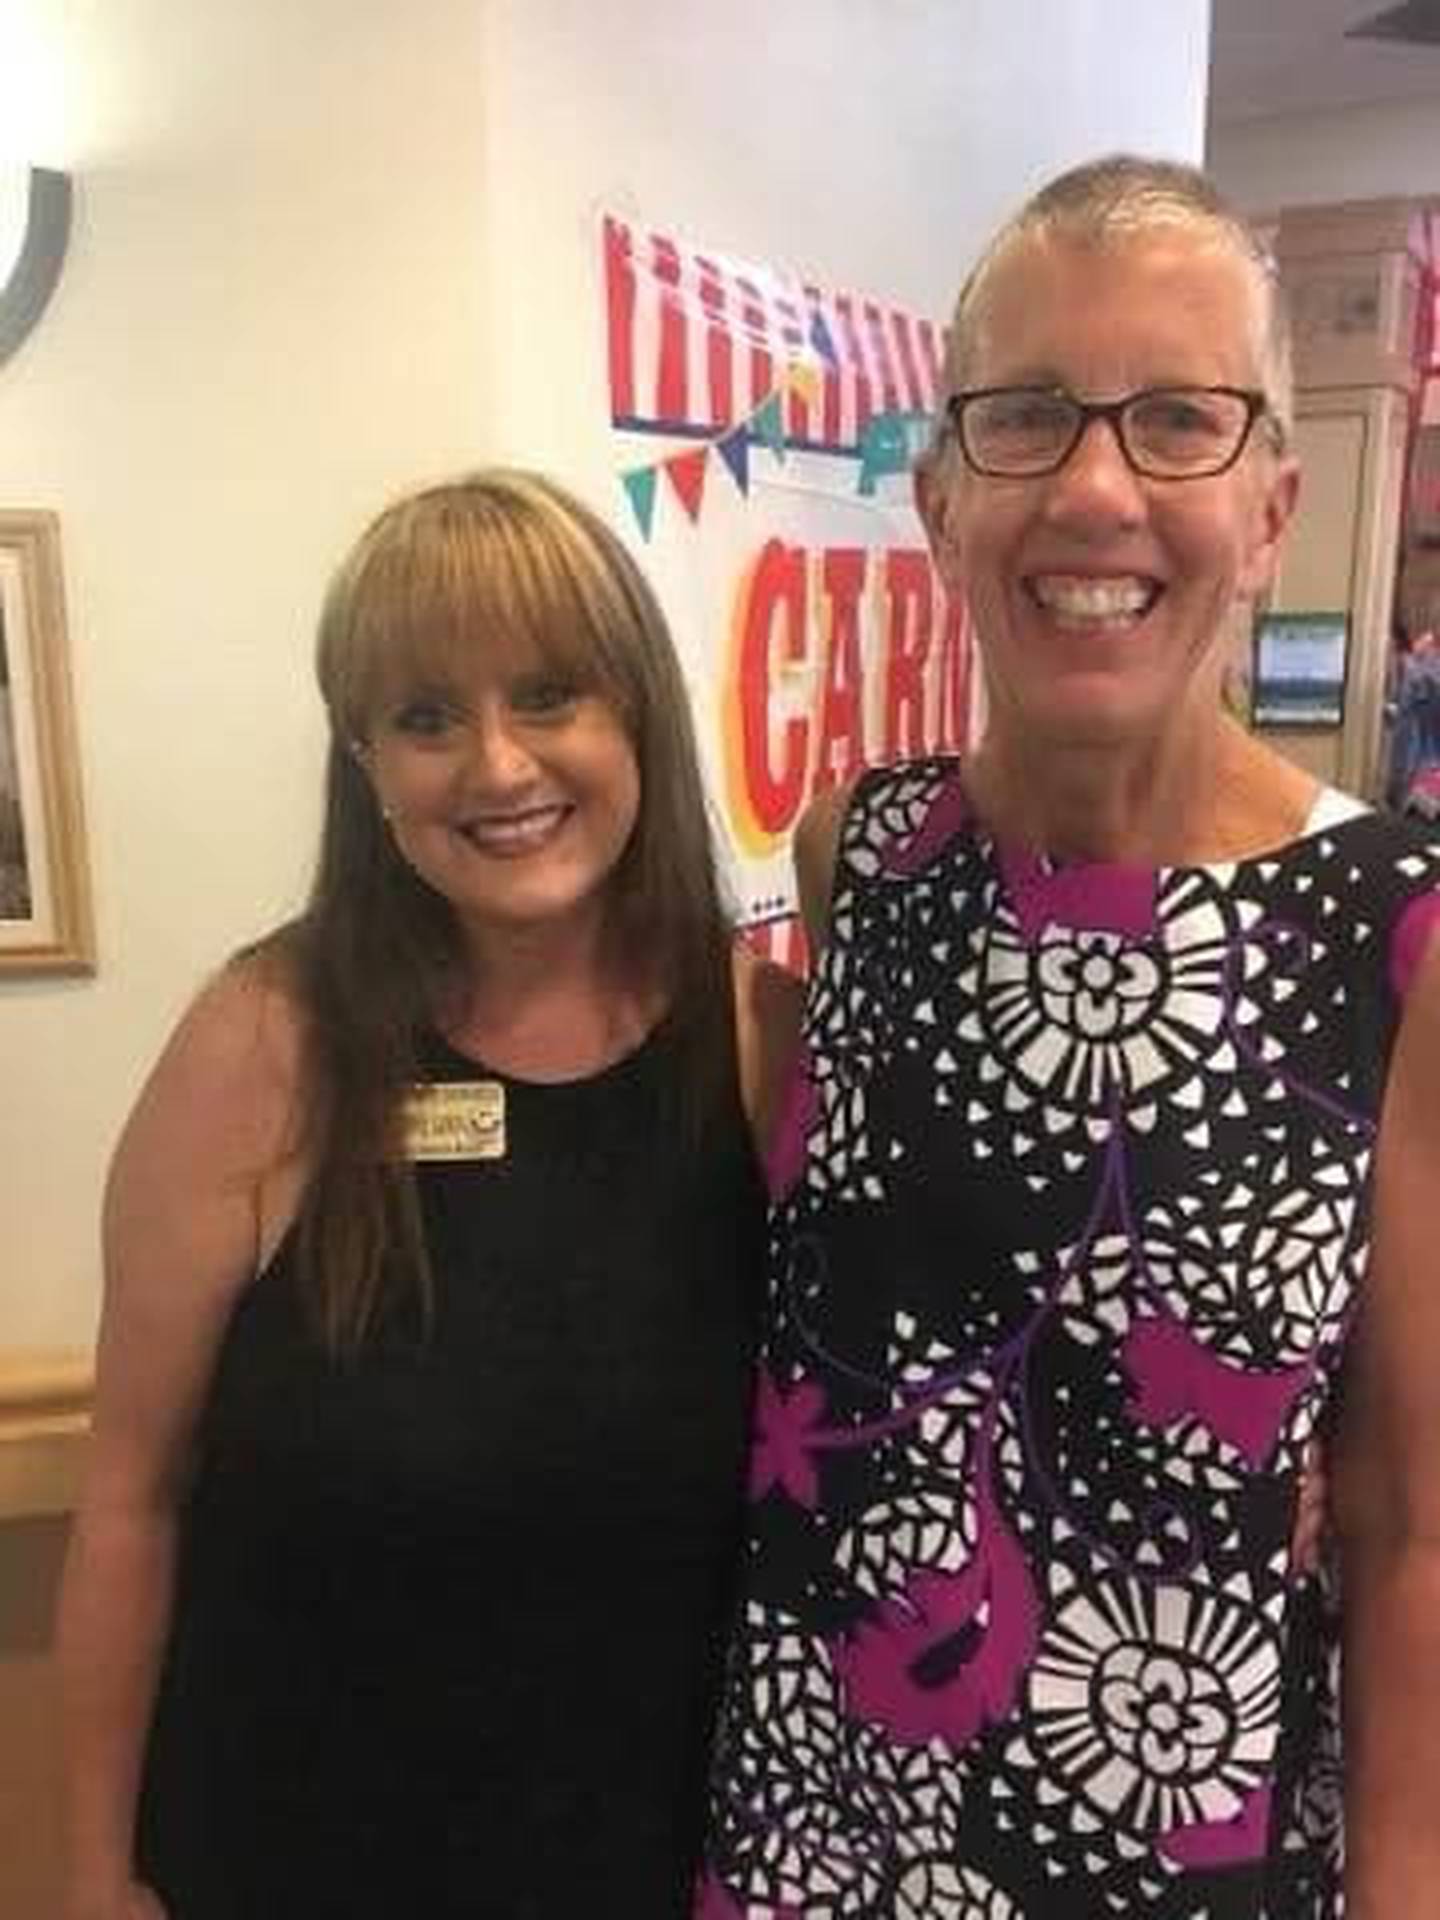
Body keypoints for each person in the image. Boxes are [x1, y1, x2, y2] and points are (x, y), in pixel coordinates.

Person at [698, 156, 1440, 1919]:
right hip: (822, 1826)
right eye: (1028, 418)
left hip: (1187, 1850)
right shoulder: (855, 856)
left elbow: (1414, 1529)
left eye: (1178, 419)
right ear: (946, 498)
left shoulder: (1393, 933)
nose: (1096, 489)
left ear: (1269, 505)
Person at [58, 469, 801, 1920]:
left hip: (642, 1871)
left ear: (636, 709)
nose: (498, 764)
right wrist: (90, 1877)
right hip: (284, 1863)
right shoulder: (264, 1045)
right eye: (425, 717)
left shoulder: (763, 1049)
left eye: (548, 694)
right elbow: (127, 1502)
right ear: (365, 759)